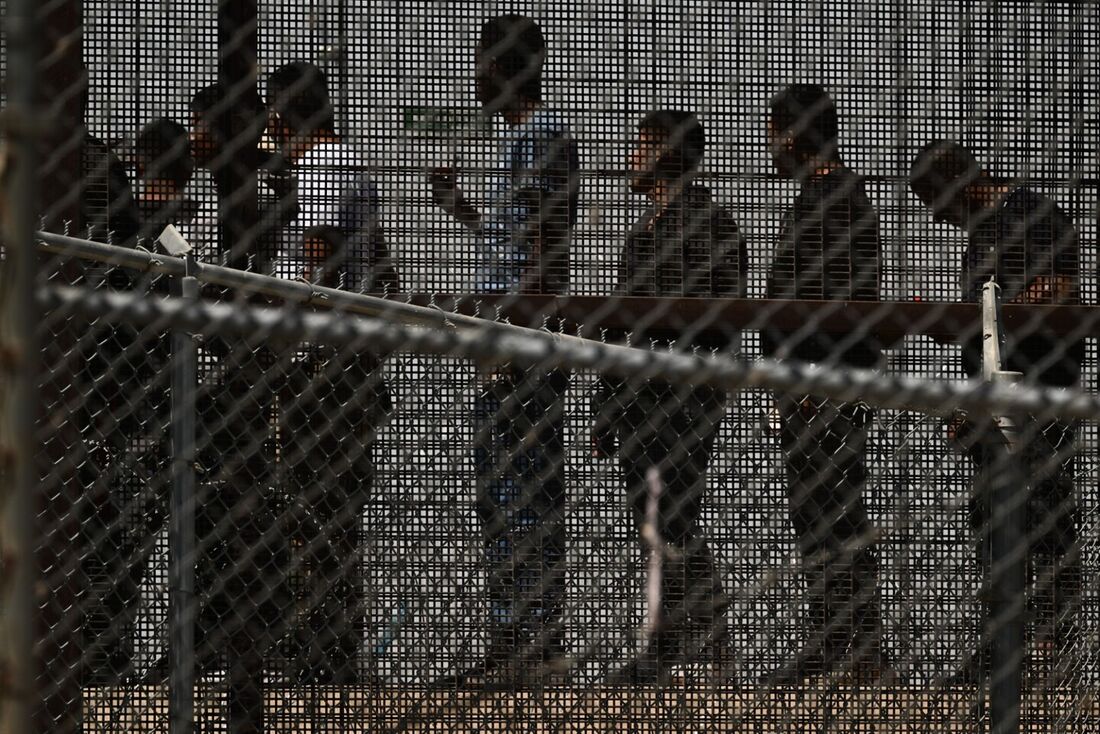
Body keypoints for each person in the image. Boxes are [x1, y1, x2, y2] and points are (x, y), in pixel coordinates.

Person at [429, 14, 579, 685]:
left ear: (506, 66)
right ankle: (512, 632)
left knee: (523, 488)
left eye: (484, 63)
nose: (476, 76)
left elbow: (546, 240)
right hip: (503, 330)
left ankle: (532, 638)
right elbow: (515, 238)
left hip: (519, 337)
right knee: (500, 488)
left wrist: (522, 332)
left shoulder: (541, 134)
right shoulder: (520, 136)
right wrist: (459, 208)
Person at [908, 140, 1083, 685]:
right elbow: (987, 326)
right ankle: (1002, 648)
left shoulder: (1031, 215)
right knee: (992, 522)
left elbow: (1058, 296)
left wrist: (1039, 302)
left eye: (935, 200)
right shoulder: (985, 232)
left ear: (957, 185)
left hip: (1039, 395)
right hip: (996, 399)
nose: (937, 216)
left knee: (1047, 520)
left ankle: (1055, 647)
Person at [592, 110, 747, 685]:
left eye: (641, 147)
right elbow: (622, 328)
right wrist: (607, 408)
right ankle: (688, 641)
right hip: (639, 396)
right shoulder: (643, 232)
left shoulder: (708, 223)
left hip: (682, 393)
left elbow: (718, 311)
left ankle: (692, 643)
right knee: (657, 519)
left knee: (672, 514)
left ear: (665, 153)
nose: (631, 158)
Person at [265, 60, 398, 684]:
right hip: (347, 366)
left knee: (310, 505)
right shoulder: (347, 166)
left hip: (324, 368)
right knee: (333, 509)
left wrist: (267, 307)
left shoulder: (320, 169)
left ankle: (321, 644)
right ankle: (332, 641)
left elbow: (317, 261)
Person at [762, 84, 888, 683]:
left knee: (832, 506)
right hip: (810, 378)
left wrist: (812, 372)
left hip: (824, 378)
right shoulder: (825, 195)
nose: (767, 141)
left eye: (773, 129)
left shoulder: (836, 198)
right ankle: (837, 635)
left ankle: (854, 642)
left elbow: (836, 295)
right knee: (817, 507)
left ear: (795, 132)